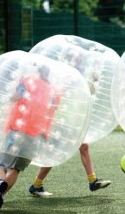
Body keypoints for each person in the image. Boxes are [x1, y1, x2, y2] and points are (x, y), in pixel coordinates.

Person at [28, 50, 110, 196]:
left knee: (83, 146)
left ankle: (92, 181)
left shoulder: (79, 76)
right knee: (54, 153)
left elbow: (89, 92)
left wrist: (94, 79)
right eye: (75, 58)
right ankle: (36, 185)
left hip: (73, 120)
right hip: (61, 120)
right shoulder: (63, 77)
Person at [0, 65, 60, 211]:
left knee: (1, 167)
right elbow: (50, 114)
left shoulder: (27, 81)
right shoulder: (54, 92)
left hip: (17, 130)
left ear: (38, 71)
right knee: (16, 169)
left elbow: (14, 97)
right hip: (35, 136)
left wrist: (16, 85)